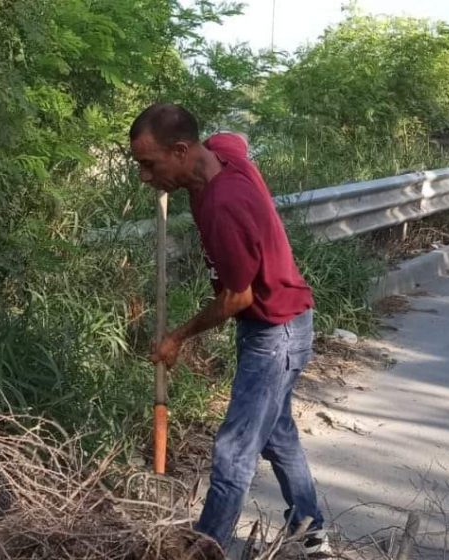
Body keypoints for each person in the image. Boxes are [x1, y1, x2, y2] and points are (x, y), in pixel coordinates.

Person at [129, 103, 329, 556]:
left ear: (181, 151)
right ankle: (311, 526)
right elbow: (234, 135)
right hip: (278, 324)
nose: (144, 176)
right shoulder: (220, 151)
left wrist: (176, 337)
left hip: (275, 331)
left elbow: (238, 298)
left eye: (149, 164)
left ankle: (206, 546)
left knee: (234, 449)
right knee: (277, 434)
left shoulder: (225, 205)